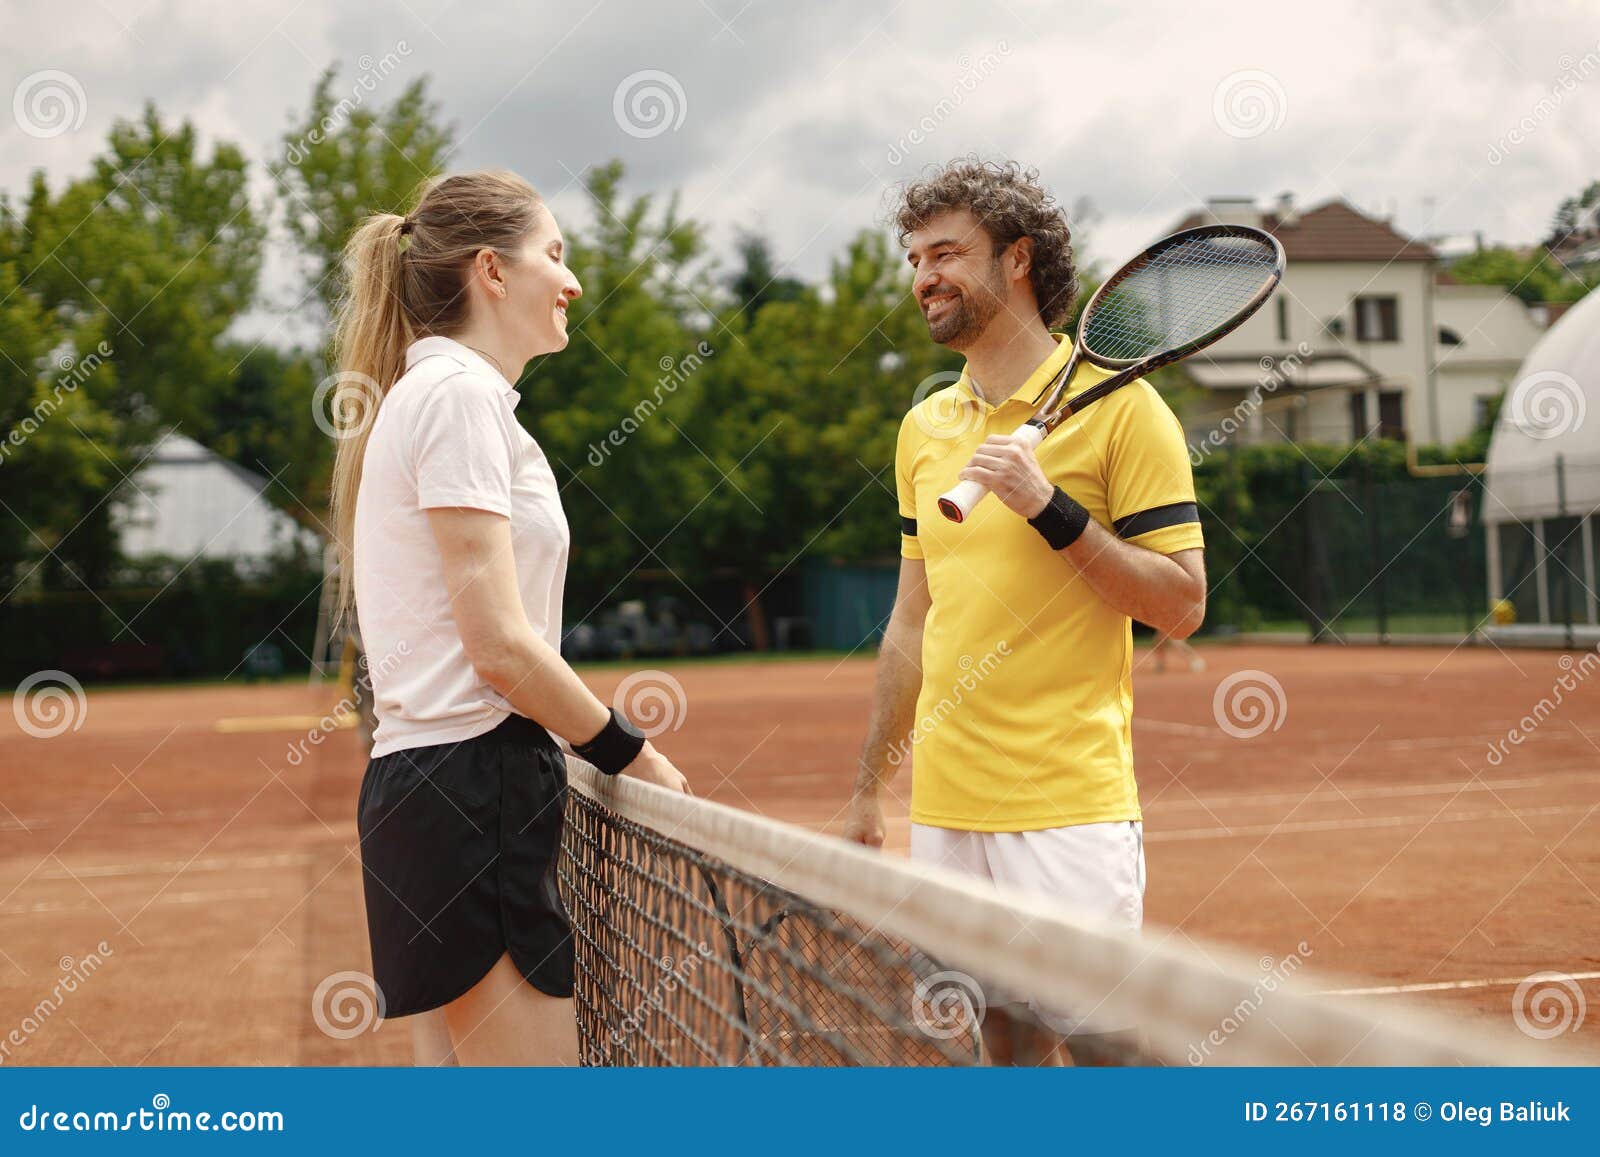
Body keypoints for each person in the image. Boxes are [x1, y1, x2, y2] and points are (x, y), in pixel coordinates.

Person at [844, 159, 1207, 1065]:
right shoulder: (922, 429)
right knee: (1005, 1047)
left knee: (1110, 1052)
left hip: (1067, 804)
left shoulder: (1128, 410)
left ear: (1018, 259)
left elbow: (1184, 603)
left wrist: (1053, 509)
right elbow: (909, 623)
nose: (924, 275)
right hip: (950, 805)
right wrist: (867, 791)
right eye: (915, 257)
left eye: (946, 253)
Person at [328, 169, 690, 1067]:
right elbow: (496, 642)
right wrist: (631, 752)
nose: (571, 281)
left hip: (438, 791)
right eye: (554, 255)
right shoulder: (457, 396)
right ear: (492, 270)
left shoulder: (437, 394)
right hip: (471, 791)